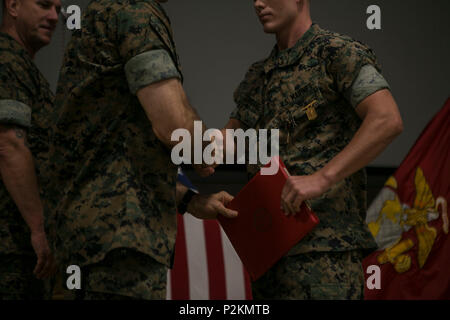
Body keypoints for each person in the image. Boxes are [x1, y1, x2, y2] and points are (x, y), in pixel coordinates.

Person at [46, 0, 236, 300]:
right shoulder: (134, 11)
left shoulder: (101, 13)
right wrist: (202, 147)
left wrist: (189, 199)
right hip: (116, 249)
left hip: (89, 245)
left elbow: (113, 159)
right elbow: (173, 123)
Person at [223, 0, 403, 299]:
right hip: (269, 252)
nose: (257, 3)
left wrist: (322, 178)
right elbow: (227, 142)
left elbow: (386, 120)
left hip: (324, 252)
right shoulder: (259, 76)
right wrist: (192, 143)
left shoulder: (336, 53)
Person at [0, 0, 59, 299]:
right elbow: (8, 143)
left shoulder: (23, 66)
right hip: (11, 246)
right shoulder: (6, 60)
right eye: (44, 5)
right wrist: (38, 227)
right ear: (12, 5)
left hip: (20, 248)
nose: (54, 16)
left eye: (59, 9)